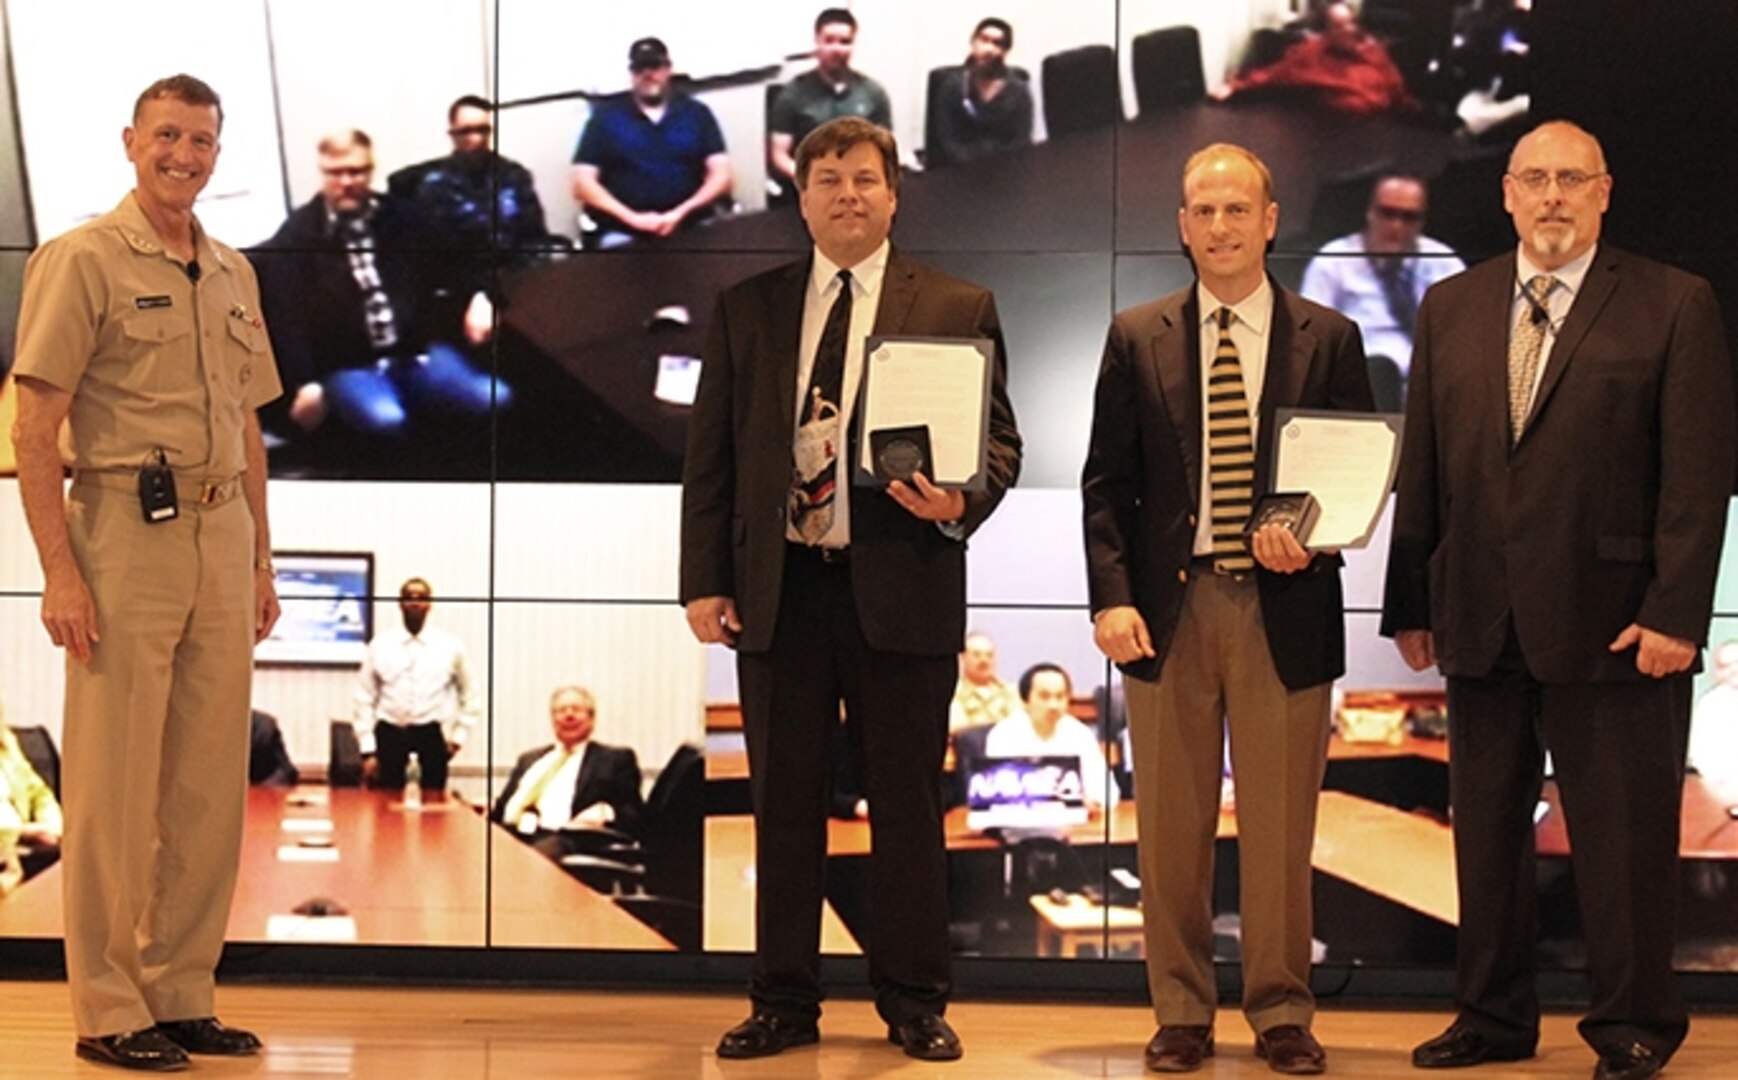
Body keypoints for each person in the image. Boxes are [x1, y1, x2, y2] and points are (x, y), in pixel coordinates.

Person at [1381, 120, 1734, 1080]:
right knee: (1486, 840)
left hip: (1619, 625)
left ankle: (1634, 1026)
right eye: (1533, 178)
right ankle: (1490, 1019)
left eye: (1570, 180)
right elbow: (1427, 467)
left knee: (1623, 847)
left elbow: (1697, 478)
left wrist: (1676, 614)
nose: (1551, 196)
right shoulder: (1452, 305)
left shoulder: (1672, 302)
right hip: (1479, 618)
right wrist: (1411, 598)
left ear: (1604, 192)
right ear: (1505, 192)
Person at [681, 116, 1021, 1062]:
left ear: (894, 192)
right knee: (784, 807)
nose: (848, 195)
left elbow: (1000, 445)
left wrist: (961, 497)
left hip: (901, 588)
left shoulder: (958, 304)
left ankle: (914, 1000)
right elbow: (710, 462)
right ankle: (782, 1002)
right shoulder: (748, 307)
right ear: (802, 197)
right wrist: (703, 580)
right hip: (779, 592)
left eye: (865, 179)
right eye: (827, 180)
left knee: (906, 807)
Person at [1082, 142, 1374, 1075]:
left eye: (1236, 209)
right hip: (1168, 614)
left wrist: (1314, 530)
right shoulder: (1138, 335)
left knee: (1282, 833)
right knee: (1170, 833)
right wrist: (1111, 601)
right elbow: (1105, 488)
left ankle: (1284, 1011)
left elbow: (1354, 473)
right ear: (1181, 225)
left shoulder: (1329, 337)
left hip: (1283, 611)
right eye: (1202, 211)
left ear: (1271, 218)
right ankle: (1181, 1014)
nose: (1219, 226)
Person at [9, 74, 279, 1071]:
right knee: (117, 792)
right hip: (123, 534)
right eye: (168, 135)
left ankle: (180, 991)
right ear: (131, 142)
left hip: (219, 536)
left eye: (203, 140)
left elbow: (250, 427)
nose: (186, 155)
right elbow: (35, 426)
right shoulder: (80, 258)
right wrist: (59, 572)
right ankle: (110, 1008)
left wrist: (260, 558)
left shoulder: (234, 272)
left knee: (208, 790)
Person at [258, 129, 506, 451]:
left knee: (494, 398)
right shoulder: (298, 236)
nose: (346, 181)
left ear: (371, 170)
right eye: (336, 172)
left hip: (415, 354)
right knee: (387, 418)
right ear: (322, 172)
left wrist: (481, 297)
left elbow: (465, 259)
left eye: (356, 171)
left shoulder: (401, 217)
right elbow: (285, 320)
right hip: (349, 366)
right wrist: (305, 384)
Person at [1299, 174, 1464, 396]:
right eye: (1387, 213)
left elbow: (1463, 334)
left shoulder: (1443, 262)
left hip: (1429, 385)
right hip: (1358, 382)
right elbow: (1311, 337)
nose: (1397, 226)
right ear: (1369, 212)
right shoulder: (1333, 261)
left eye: (1409, 217)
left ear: (1422, 221)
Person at [388, 95, 567, 296]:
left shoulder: (514, 175)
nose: (477, 138)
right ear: (452, 134)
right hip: (462, 288)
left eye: (483, 130)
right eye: (466, 131)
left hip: (516, 280)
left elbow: (535, 237)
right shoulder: (434, 186)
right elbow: (436, 259)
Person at [571, 38, 733, 248]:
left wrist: (679, 213)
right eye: (640, 68)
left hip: (691, 223)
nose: (648, 74)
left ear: (668, 69)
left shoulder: (697, 113)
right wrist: (633, 218)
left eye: (655, 66)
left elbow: (722, 176)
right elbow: (581, 184)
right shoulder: (604, 119)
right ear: (631, 73)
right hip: (624, 230)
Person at [353, 577, 481, 792]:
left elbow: (471, 694)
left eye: (421, 598)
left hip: (429, 733)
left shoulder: (450, 647)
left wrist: (458, 737)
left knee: (434, 808)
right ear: (399, 603)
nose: (414, 603)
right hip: (389, 733)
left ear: (430, 604)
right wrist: (368, 749)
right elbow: (363, 698)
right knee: (386, 808)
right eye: (408, 598)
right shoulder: (381, 645)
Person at [492, 686, 645, 861]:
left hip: (566, 839)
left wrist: (606, 812)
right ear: (553, 719)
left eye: (576, 709)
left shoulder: (614, 759)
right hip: (514, 833)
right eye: (561, 710)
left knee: (532, 859)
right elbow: (502, 807)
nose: (568, 715)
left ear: (591, 718)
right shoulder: (529, 760)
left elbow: (634, 814)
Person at [767, 9, 893, 194]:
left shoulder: (873, 93)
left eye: (845, 42)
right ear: (817, 42)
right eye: (829, 40)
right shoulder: (792, 94)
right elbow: (779, 156)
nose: (837, 49)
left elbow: (886, 148)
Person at [1215, 2, 1416, 116]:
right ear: (1325, 33)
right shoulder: (1310, 54)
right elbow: (1273, 74)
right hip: (1332, 132)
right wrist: (1234, 86)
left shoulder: (1374, 52)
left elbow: (1397, 93)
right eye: (1339, 26)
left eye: (1352, 23)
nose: (1349, 30)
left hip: (1380, 128)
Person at [984, 663, 1115, 812]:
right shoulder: (1003, 735)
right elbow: (996, 795)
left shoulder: (1079, 734)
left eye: (1060, 696)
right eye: (1044, 697)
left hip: (1073, 824)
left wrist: (1095, 801)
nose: (1053, 705)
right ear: (1025, 700)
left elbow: (1106, 789)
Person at [924, 17, 1033, 169]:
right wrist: (973, 165)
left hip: (1004, 172)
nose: (988, 49)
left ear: (1005, 51)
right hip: (958, 173)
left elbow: (1020, 142)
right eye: (984, 40)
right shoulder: (952, 87)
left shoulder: (1018, 92)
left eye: (997, 43)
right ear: (973, 42)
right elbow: (947, 141)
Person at [949, 629, 1022, 732]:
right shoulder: (954, 692)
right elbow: (957, 729)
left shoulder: (1011, 692)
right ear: (963, 658)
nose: (984, 660)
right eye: (976, 655)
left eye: (989, 655)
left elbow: (1020, 727)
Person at [1690, 640, 1738, 797]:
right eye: (1725, 666)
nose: (1734, 670)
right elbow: (1699, 752)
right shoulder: (1709, 704)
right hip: (1718, 789)